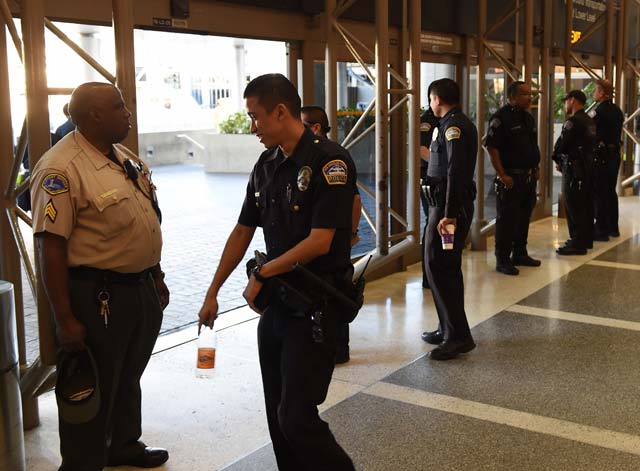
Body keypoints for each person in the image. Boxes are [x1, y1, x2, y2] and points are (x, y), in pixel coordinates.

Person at [199, 74, 355, 471]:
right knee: (276, 416)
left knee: (297, 417)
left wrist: (263, 272)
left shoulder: (329, 161)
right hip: (277, 309)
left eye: (255, 118)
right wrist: (212, 291)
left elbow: (321, 241)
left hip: (315, 308)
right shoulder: (267, 164)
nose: (252, 128)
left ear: (280, 111)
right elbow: (242, 230)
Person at [30, 82, 170, 471]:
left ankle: (123, 445)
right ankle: (81, 463)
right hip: (97, 297)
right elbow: (50, 247)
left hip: (138, 288)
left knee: (128, 376)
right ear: (94, 115)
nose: (127, 113)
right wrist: (65, 318)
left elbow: (144, 218)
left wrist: (155, 276)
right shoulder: (60, 168)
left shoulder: (122, 156)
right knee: (92, 385)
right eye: (119, 106)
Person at [420, 78, 477, 360]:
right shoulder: (448, 124)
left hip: (447, 209)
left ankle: (458, 336)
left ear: (437, 99)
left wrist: (449, 215)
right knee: (439, 266)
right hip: (441, 207)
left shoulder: (454, 127)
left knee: (441, 266)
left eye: (431, 98)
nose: (430, 104)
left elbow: (456, 172)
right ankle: (447, 328)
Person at [300, 104, 361, 364]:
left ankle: (339, 349)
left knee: (335, 290)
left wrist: (352, 233)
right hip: (317, 242)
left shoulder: (332, 157)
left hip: (332, 243)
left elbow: (354, 200)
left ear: (315, 128)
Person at [485, 81, 542, 276]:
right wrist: (502, 174)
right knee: (507, 219)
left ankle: (520, 253)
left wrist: (536, 167)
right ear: (512, 97)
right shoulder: (501, 118)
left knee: (524, 216)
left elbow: (531, 146)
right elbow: (492, 148)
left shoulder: (528, 118)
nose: (529, 97)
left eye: (530, 93)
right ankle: (502, 259)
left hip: (528, 177)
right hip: (511, 177)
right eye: (525, 94)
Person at [553, 90, 597, 255]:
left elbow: (562, 144)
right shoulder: (589, 121)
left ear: (572, 100)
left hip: (574, 169)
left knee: (573, 205)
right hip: (588, 168)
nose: (565, 104)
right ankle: (585, 240)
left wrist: (557, 159)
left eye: (566, 101)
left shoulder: (573, 122)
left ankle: (577, 243)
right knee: (585, 205)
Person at [590, 79, 624, 240]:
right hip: (614, 155)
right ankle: (613, 227)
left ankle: (601, 229)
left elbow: (592, 133)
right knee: (610, 191)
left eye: (596, 90)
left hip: (602, 156)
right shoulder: (617, 110)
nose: (593, 93)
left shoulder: (598, 111)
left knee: (600, 191)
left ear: (603, 93)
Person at [419, 105, 439, 288]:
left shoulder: (448, 119)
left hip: (442, 179)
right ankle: (429, 274)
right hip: (430, 180)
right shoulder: (427, 122)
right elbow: (422, 149)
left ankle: (437, 272)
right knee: (432, 223)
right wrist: (440, 165)